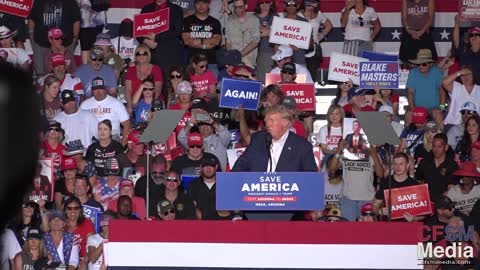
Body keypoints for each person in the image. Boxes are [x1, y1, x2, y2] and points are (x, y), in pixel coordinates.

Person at [232, 105, 317, 172]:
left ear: (285, 122)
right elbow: (240, 166)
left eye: (271, 120)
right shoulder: (257, 139)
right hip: (257, 192)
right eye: (266, 121)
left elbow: (310, 178)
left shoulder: (302, 146)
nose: (267, 124)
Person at [329, 137, 384, 221]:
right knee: (348, 230)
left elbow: (380, 174)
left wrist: (374, 153)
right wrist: (339, 150)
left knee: (366, 231)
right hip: (348, 198)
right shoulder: (346, 153)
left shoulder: (371, 153)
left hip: (367, 198)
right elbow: (332, 169)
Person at [27, 0, 80, 76]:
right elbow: (32, 18)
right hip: (41, 43)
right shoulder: (38, 1)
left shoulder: (70, 1)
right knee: (41, 75)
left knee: (68, 73)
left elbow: (76, 20)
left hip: (64, 43)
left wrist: (75, 38)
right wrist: (32, 36)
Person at [80, 77, 131, 146]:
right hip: (92, 139)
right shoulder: (85, 105)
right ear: (92, 91)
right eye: (96, 89)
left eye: (101, 89)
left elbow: (127, 125)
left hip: (112, 138)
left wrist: (122, 145)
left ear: (105, 89)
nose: (98, 92)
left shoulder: (116, 103)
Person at [372, 153, 421, 221]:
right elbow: (375, 205)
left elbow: (424, 212)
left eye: (401, 164)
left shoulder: (414, 184)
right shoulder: (386, 182)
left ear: (407, 166)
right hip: (389, 225)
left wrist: (414, 219)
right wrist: (381, 211)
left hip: (408, 227)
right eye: (395, 164)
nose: (398, 167)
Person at [182, 0, 222, 76]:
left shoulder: (215, 22)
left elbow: (216, 41)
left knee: (213, 87)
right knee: (191, 87)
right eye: (198, 3)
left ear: (208, 4)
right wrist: (206, 44)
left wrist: (199, 41)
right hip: (192, 63)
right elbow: (187, 41)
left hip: (210, 62)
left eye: (204, 3)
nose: (201, 6)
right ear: (194, 5)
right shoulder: (187, 21)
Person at [415, 133, 459, 202]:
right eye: (434, 146)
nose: (436, 149)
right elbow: (418, 181)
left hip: (444, 204)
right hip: (426, 201)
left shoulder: (452, 165)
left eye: (439, 146)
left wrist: (440, 202)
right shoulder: (424, 162)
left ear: (446, 147)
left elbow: (452, 188)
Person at [124, 45, 164, 116]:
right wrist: (129, 106)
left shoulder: (156, 69)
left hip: (154, 102)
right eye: (138, 54)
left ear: (148, 55)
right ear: (135, 56)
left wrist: (153, 105)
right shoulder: (131, 70)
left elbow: (158, 88)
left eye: (144, 53)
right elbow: (128, 90)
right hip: (135, 103)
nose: (141, 56)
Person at [224, 0, 260, 68]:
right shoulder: (229, 20)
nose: (237, 9)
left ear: (246, 6)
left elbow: (255, 41)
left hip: (249, 61)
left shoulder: (254, 20)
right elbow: (228, 40)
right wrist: (230, 56)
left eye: (240, 7)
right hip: (233, 62)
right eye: (235, 7)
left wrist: (239, 55)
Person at [399, 0, 436, 65]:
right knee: (406, 62)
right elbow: (404, 18)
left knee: (428, 62)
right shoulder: (405, 1)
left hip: (424, 33)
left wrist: (422, 31)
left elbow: (431, 18)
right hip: (409, 33)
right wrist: (408, 30)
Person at [63, 197, 94, 270]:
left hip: (84, 259)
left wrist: (85, 262)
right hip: (64, 261)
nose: (73, 211)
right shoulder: (61, 224)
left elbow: (91, 245)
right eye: (69, 208)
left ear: (80, 210)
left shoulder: (87, 223)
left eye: (76, 208)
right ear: (65, 210)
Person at [254, 0, 277, 83]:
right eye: (261, 2)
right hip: (252, 52)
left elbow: (278, 34)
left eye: (266, 2)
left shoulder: (276, 17)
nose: (264, 4)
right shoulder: (253, 16)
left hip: (268, 52)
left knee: (266, 80)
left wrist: (265, 32)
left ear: (271, 3)